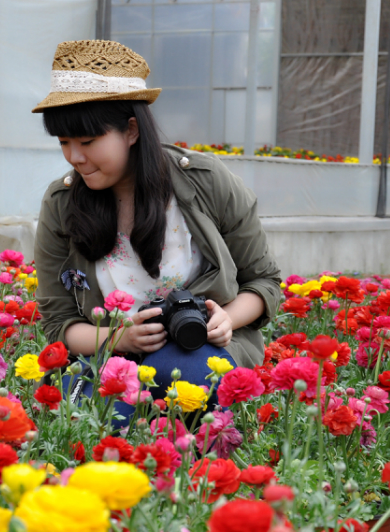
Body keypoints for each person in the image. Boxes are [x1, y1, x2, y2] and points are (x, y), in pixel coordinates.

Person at [33, 40, 281, 416]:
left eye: (87, 141)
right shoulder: (62, 204)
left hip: (199, 351)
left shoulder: (206, 182)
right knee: (80, 414)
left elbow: (263, 282)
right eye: (64, 142)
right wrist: (117, 336)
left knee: (189, 383)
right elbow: (59, 322)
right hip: (109, 355)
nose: (75, 157)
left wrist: (226, 318)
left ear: (131, 131)